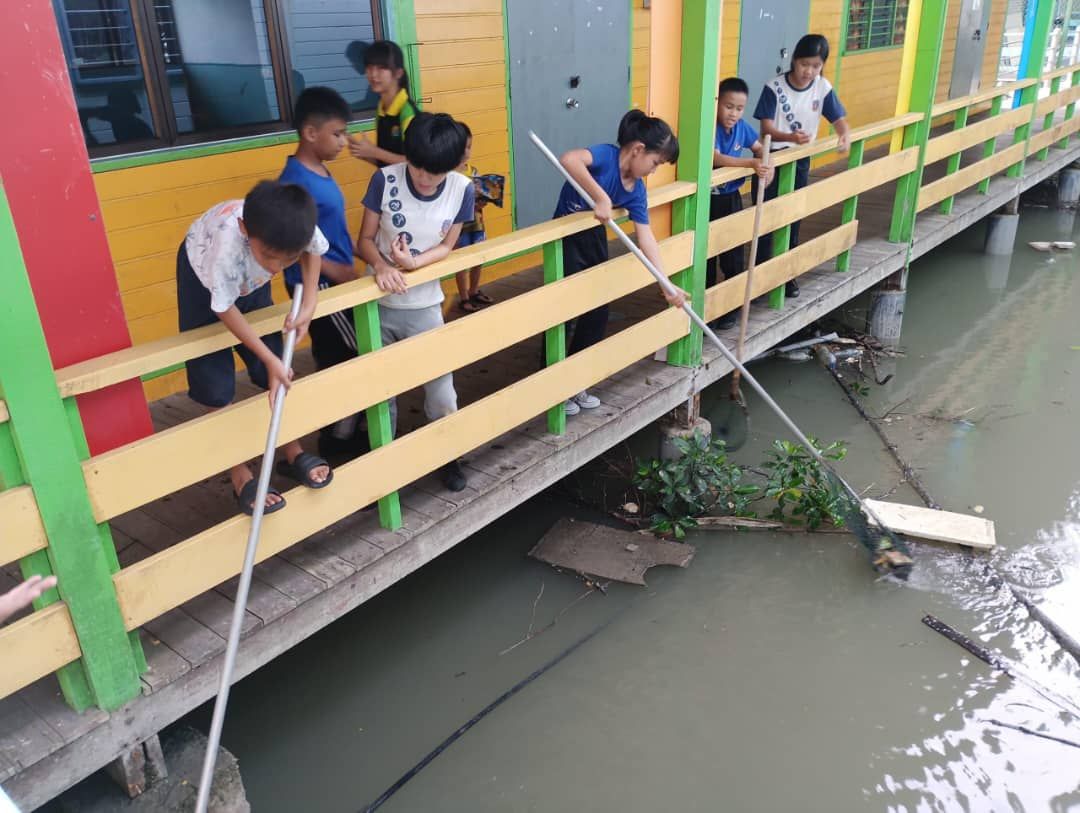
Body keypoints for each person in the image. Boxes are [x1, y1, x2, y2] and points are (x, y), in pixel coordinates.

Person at [178, 181, 333, 515]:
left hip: (247, 278)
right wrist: (267, 355)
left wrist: (309, 302)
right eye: (270, 256)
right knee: (215, 382)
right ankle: (240, 474)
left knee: (274, 368)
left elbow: (313, 251)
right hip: (202, 278)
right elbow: (223, 308)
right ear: (245, 229)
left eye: (286, 259)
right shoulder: (226, 250)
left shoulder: (292, 225)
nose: (277, 267)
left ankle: (291, 451)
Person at [356, 112, 474, 492]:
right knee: (379, 393)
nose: (423, 177)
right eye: (418, 167)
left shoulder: (462, 188)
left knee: (441, 392)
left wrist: (412, 264)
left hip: (425, 306)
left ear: (452, 166)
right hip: (377, 306)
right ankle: (384, 470)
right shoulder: (384, 179)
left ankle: (447, 457)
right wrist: (380, 265)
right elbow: (365, 240)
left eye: (434, 172)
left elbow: (446, 245)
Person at [551, 109, 687, 416]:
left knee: (597, 313)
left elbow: (646, 238)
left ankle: (576, 383)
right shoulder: (605, 156)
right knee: (562, 314)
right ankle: (554, 389)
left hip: (594, 240)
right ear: (638, 150)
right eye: (655, 163)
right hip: (564, 241)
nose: (654, 171)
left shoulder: (636, 190)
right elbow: (569, 160)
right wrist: (601, 197)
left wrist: (665, 284)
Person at [278, 86, 369, 464]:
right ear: (309, 133)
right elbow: (295, 244)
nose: (343, 141)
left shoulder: (318, 169)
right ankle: (336, 447)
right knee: (347, 359)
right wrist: (342, 273)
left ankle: (353, 435)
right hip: (325, 287)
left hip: (338, 282)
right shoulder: (295, 181)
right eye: (337, 133)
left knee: (346, 360)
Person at [753, 33, 850, 299]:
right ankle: (760, 275)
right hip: (772, 159)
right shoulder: (774, 87)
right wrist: (790, 137)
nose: (809, 71)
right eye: (804, 64)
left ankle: (787, 275)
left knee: (793, 217)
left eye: (816, 66)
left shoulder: (822, 87)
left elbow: (838, 117)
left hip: (799, 160)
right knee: (766, 218)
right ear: (795, 60)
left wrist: (844, 134)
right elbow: (766, 128)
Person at [710, 76, 774, 329]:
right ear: (717, 103)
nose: (733, 113)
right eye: (728, 106)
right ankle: (705, 314)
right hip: (708, 201)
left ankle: (730, 309)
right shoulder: (709, 127)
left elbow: (759, 149)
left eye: (739, 108)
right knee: (706, 258)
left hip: (731, 199)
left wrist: (767, 166)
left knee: (733, 255)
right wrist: (750, 163)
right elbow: (716, 157)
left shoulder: (742, 128)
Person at [348, 40, 417, 168]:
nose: (373, 75)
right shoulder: (381, 109)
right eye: (369, 68)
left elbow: (416, 164)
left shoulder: (407, 112)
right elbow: (385, 164)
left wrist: (374, 152)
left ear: (398, 73)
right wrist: (364, 154)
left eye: (381, 68)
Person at [454, 123, 494, 313]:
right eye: (463, 147)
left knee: (479, 256)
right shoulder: (449, 175)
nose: (467, 152)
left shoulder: (474, 171)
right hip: (459, 226)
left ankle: (473, 290)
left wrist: (483, 199)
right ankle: (463, 297)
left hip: (477, 221)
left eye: (470, 147)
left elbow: (481, 194)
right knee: (461, 260)